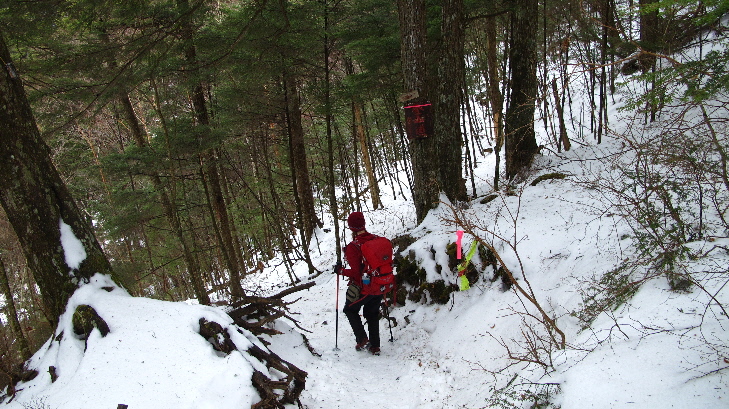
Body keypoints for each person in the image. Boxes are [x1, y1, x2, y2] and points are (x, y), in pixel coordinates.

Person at [335, 211, 383, 355]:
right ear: (364, 224)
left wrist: (341, 271)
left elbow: (356, 273)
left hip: (365, 287)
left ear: (351, 227)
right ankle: (375, 346)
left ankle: (362, 339)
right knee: (371, 312)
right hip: (380, 284)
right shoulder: (375, 240)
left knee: (349, 309)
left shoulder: (353, 246)